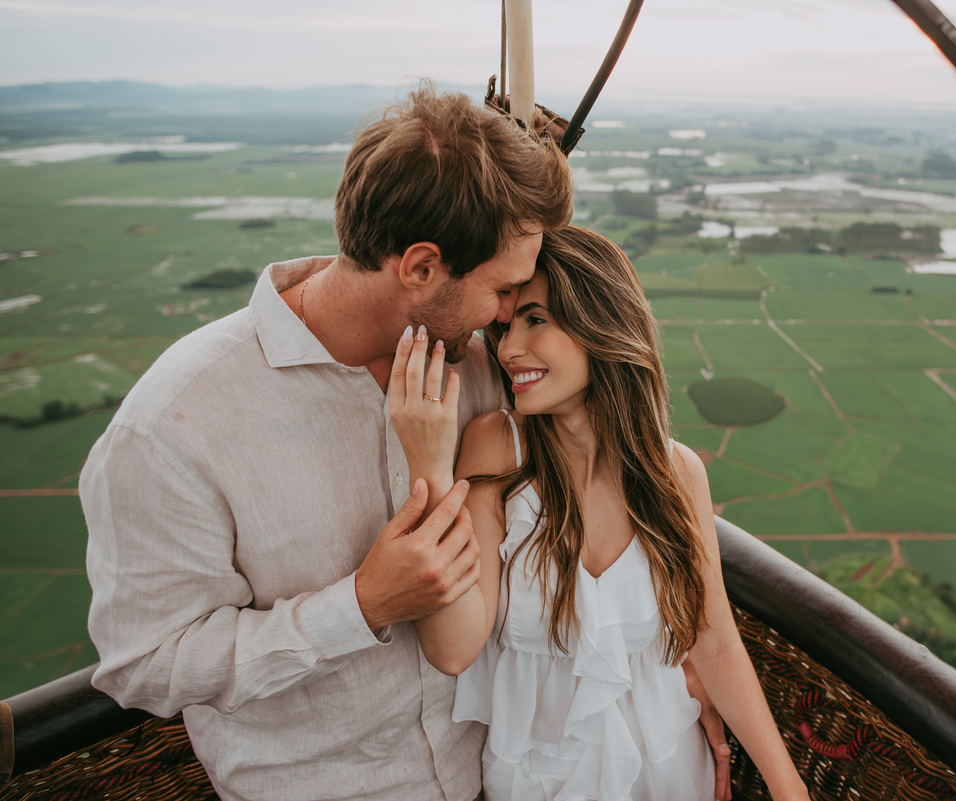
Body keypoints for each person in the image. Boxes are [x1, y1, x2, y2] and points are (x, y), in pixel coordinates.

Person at [80, 83, 574, 801]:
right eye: (503, 289)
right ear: (421, 267)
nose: (507, 314)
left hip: (497, 771)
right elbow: (147, 664)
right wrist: (361, 605)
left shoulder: (481, 367)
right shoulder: (171, 427)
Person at [390, 226, 811, 801]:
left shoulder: (677, 474)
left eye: (536, 320)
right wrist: (431, 469)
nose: (510, 349)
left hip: (668, 765)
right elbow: (453, 648)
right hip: (537, 778)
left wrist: (789, 789)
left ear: (601, 323)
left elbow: (714, 644)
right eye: (506, 327)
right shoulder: (498, 448)